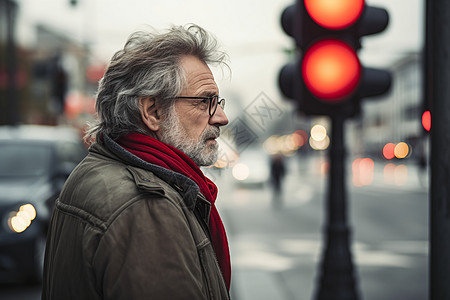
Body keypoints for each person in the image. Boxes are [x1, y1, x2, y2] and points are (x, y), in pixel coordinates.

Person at [42, 24, 231, 300]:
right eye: (204, 102)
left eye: (217, 102)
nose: (221, 117)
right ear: (153, 111)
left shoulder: (96, 168)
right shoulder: (147, 208)